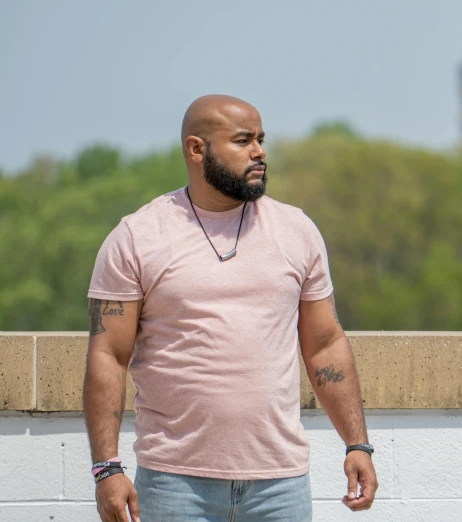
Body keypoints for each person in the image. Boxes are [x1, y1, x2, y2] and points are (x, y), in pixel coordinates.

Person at [82, 94, 377, 522]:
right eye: (243, 141)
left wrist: (357, 444)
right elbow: (108, 355)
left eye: (261, 139)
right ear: (197, 149)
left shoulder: (297, 231)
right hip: (174, 483)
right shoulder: (137, 237)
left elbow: (325, 344)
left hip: (281, 486)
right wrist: (106, 468)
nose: (259, 152)